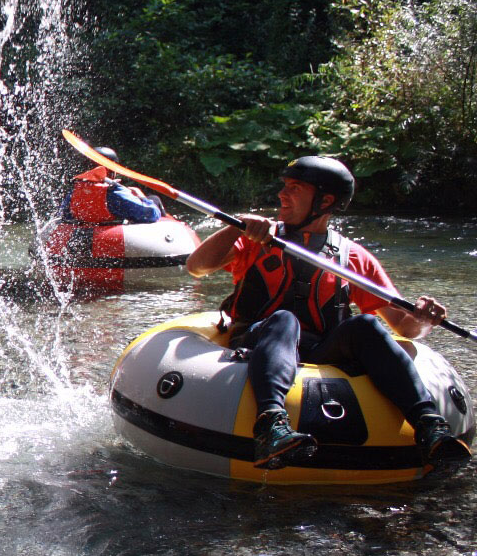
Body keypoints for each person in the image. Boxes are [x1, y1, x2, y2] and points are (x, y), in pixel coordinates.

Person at [184, 155, 469, 469]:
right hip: (257, 341)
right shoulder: (258, 239)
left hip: (321, 350)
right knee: (284, 319)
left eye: (294, 188)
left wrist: (423, 319)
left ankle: (429, 425)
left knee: (366, 326)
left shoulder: (353, 257)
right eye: (285, 187)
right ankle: (271, 426)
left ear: (325, 200)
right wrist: (236, 228)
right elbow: (196, 267)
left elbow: (405, 328)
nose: (282, 195)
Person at [64, 148, 162, 224]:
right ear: (112, 171)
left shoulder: (75, 191)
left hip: (85, 236)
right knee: (154, 199)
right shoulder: (115, 193)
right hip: (115, 239)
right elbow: (151, 214)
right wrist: (142, 197)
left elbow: (65, 215)